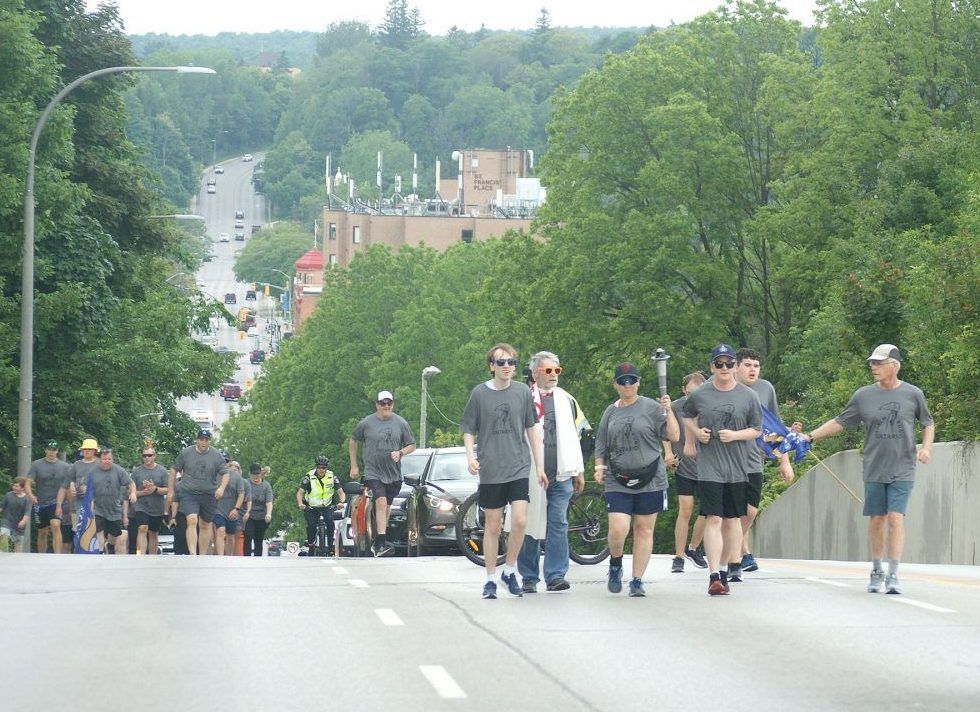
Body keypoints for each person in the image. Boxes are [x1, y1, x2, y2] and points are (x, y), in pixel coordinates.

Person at [802, 344, 933, 595]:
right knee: (877, 519)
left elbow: (927, 423)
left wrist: (926, 448)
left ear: (894, 366)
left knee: (895, 518)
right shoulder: (863, 395)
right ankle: (876, 569)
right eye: (872, 363)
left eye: (879, 363)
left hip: (903, 465)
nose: (873, 367)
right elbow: (841, 422)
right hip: (874, 465)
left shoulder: (913, 394)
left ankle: (893, 574)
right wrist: (811, 436)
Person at [461, 343, 547, 599]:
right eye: (501, 362)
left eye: (511, 362)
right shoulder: (479, 394)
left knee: (520, 520)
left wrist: (539, 466)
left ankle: (510, 570)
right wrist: (470, 457)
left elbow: (532, 428)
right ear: (492, 367)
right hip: (492, 468)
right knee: (493, 525)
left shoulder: (522, 392)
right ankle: (490, 579)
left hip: (519, 465)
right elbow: (468, 428)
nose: (507, 366)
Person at [594, 362, 680, 597]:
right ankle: (615, 563)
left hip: (650, 477)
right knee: (618, 528)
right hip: (617, 477)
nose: (628, 384)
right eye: (622, 381)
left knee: (643, 529)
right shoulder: (610, 412)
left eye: (631, 380)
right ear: (615, 385)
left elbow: (673, 435)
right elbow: (601, 443)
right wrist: (599, 466)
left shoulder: (652, 408)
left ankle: (637, 580)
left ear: (638, 382)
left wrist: (669, 410)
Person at [683, 345, 762, 596]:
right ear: (712, 367)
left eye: (729, 364)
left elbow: (757, 430)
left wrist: (736, 435)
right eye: (719, 364)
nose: (725, 368)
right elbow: (686, 415)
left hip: (738, 468)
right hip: (709, 468)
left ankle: (728, 568)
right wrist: (696, 434)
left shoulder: (748, 396)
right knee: (714, 518)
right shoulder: (701, 394)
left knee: (733, 520)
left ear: (735, 367)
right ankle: (714, 575)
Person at [517, 351, 589, 593]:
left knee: (558, 522)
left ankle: (556, 575)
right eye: (549, 370)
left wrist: (579, 471)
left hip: (561, 472)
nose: (554, 375)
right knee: (530, 524)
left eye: (557, 370)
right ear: (536, 372)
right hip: (531, 474)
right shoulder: (523, 399)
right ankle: (528, 576)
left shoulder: (567, 399)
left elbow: (576, 436)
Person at [734, 348, 795, 574]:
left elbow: (776, 426)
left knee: (749, 512)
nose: (752, 370)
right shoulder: (723, 386)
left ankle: (736, 551)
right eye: (748, 365)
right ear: (737, 366)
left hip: (754, 458)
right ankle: (741, 553)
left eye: (756, 366)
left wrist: (785, 461)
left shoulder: (765, 389)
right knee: (732, 512)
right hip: (726, 460)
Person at [348, 390, 416, 557]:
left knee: (386, 506)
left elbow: (412, 445)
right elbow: (353, 440)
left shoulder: (401, 423)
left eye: (389, 403)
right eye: (383, 403)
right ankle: (381, 542)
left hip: (393, 473)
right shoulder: (366, 423)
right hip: (373, 471)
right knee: (381, 502)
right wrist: (354, 466)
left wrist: (400, 453)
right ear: (377, 405)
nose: (386, 406)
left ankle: (380, 538)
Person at [664, 372, 709, 573]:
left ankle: (694, 548)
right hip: (684, 465)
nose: (695, 396)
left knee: (708, 511)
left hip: (708, 466)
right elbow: (665, 432)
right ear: (684, 390)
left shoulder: (710, 406)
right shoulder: (675, 406)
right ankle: (679, 556)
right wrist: (668, 453)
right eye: (691, 392)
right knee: (685, 509)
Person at [168, 429, 229, 555]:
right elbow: (174, 470)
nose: (203, 442)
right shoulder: (186, 453)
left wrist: (221, 488)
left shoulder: (216, 455)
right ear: (197, 440)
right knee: (192, 519)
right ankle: (192, 553)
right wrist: (171, 490)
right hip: (189, 492)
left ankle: (201, 554)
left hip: (208, 493)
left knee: (205, 525)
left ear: (209, 441)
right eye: (201, 439)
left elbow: (226, 473)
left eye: (206, 440)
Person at [25, 440, 71, 554]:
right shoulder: (36, 464)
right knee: (42, 532)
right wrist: (30, 495)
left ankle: (57, 556)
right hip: (40, 502)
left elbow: (68, 487)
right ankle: (42, 556)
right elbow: (28, 482)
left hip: (57, 502)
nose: (51, 452)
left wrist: (71, 505)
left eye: (54, 450)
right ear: (45, 450)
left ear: (57, 451)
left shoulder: (65, 467)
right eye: (49, 449)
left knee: (55, 525)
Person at [91, 448, 136, 555]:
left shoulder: (119, 470)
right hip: (98, 507)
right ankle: (100, 552)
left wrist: (133, 493)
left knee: (114, 535)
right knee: (99, 531)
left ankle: (110, 546)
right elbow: (86, 487)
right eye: (104, 459)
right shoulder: (93, 471)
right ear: (99, 460)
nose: (107, 461)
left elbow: (131, 484)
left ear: (113, 459)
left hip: (114, 508)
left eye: (109, 459)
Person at [297, 455, 345, 555]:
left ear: (326, 468)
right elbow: (300, 492)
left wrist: (341, 502)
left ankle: (331, 546)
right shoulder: (309, 477)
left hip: (327, 506)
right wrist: (300, 504)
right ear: (316, 467)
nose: (321, 470)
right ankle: (311, 544)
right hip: (311, 506)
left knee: (330, 522)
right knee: (312, 525)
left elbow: (341, 492)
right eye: (319, 467)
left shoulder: (332, 477)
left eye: (323, 467)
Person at [131, 446, 169, 555]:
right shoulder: (136, 472)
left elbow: (168, 490)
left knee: (153, 533)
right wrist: (143, 493)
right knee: (142, 528)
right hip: (141, 506)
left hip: (157, 507)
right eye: (144, 456)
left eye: (149, 455)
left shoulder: (162, 471)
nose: (147, 458)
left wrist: (155, 489)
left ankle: (153, 557)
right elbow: (131, 493)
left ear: (154, 456)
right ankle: (141, 555)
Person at [67, 438, 103, 552]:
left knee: (95, 529)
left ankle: (97, 551)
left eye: (89, 449)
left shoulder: (100, 464)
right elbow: (70, 479)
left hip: (96, 504)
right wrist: (72, 486)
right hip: (79, 503)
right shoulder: (76, 465)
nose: (86, 451)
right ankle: (79, 551)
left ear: (95, 451)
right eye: (85, 449)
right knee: (79, 527)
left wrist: (90, 489)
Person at [215, 461, 246, 556]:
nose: (230, 467)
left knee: (231, 537)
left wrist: (236, 509)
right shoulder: (215, 474)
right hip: (218, 509)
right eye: (228, 465)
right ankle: (220, 556)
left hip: (232, 510)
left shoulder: (237, 477)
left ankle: (228, 557)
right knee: (220, 530)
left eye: (228, 462)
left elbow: (241, 494)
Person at [243, 464, 273, 556]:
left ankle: (258, 560)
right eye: (253, 474)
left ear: (261, 474)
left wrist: (268, 514)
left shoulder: (266, 486)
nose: (255, 476)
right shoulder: (245, 483)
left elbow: (269, 502)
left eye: (257, 474)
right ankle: (246, 558)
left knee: (258, 540)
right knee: (248, 536)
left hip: (261, 517)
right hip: (249, 515)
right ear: (250, 474)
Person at [0, 478, 31, 553]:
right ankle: (4, 554)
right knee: (3, 534)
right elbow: (1, 507)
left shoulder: (27, 499)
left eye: (17, 486)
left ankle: (17, 561)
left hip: (19, 524)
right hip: (7, 521)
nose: (14, 487)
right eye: (13, 485)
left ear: (23, 488)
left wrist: (23, 521)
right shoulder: (8, 495)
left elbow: (27, 513)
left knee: (18, 545)